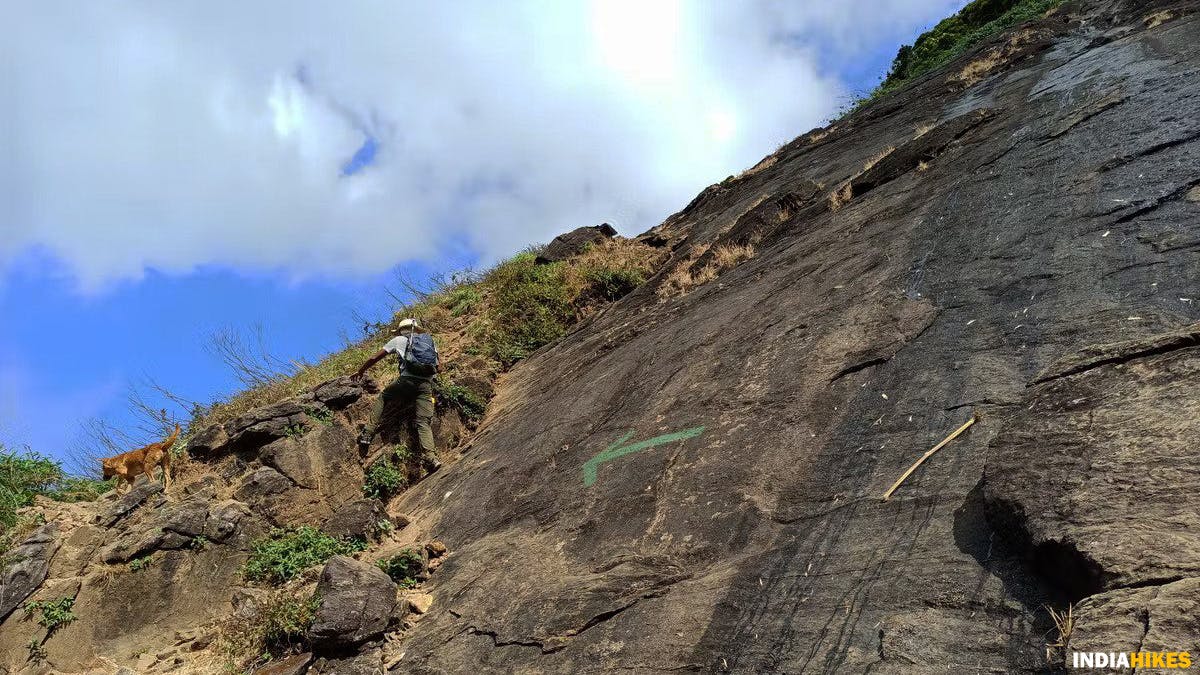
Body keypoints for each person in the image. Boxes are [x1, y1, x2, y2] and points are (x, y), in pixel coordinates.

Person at [353, 318, 442, 474]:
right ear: (416, 329)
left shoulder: (398, 340)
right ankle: (431, 458)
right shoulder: (429, 341)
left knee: (383, 397)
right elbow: (438, 367)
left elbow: (374, 358)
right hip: (426, 385)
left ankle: (367, 433)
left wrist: (360, 371)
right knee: (423, 422)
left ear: (401, 330)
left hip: (406, 381)